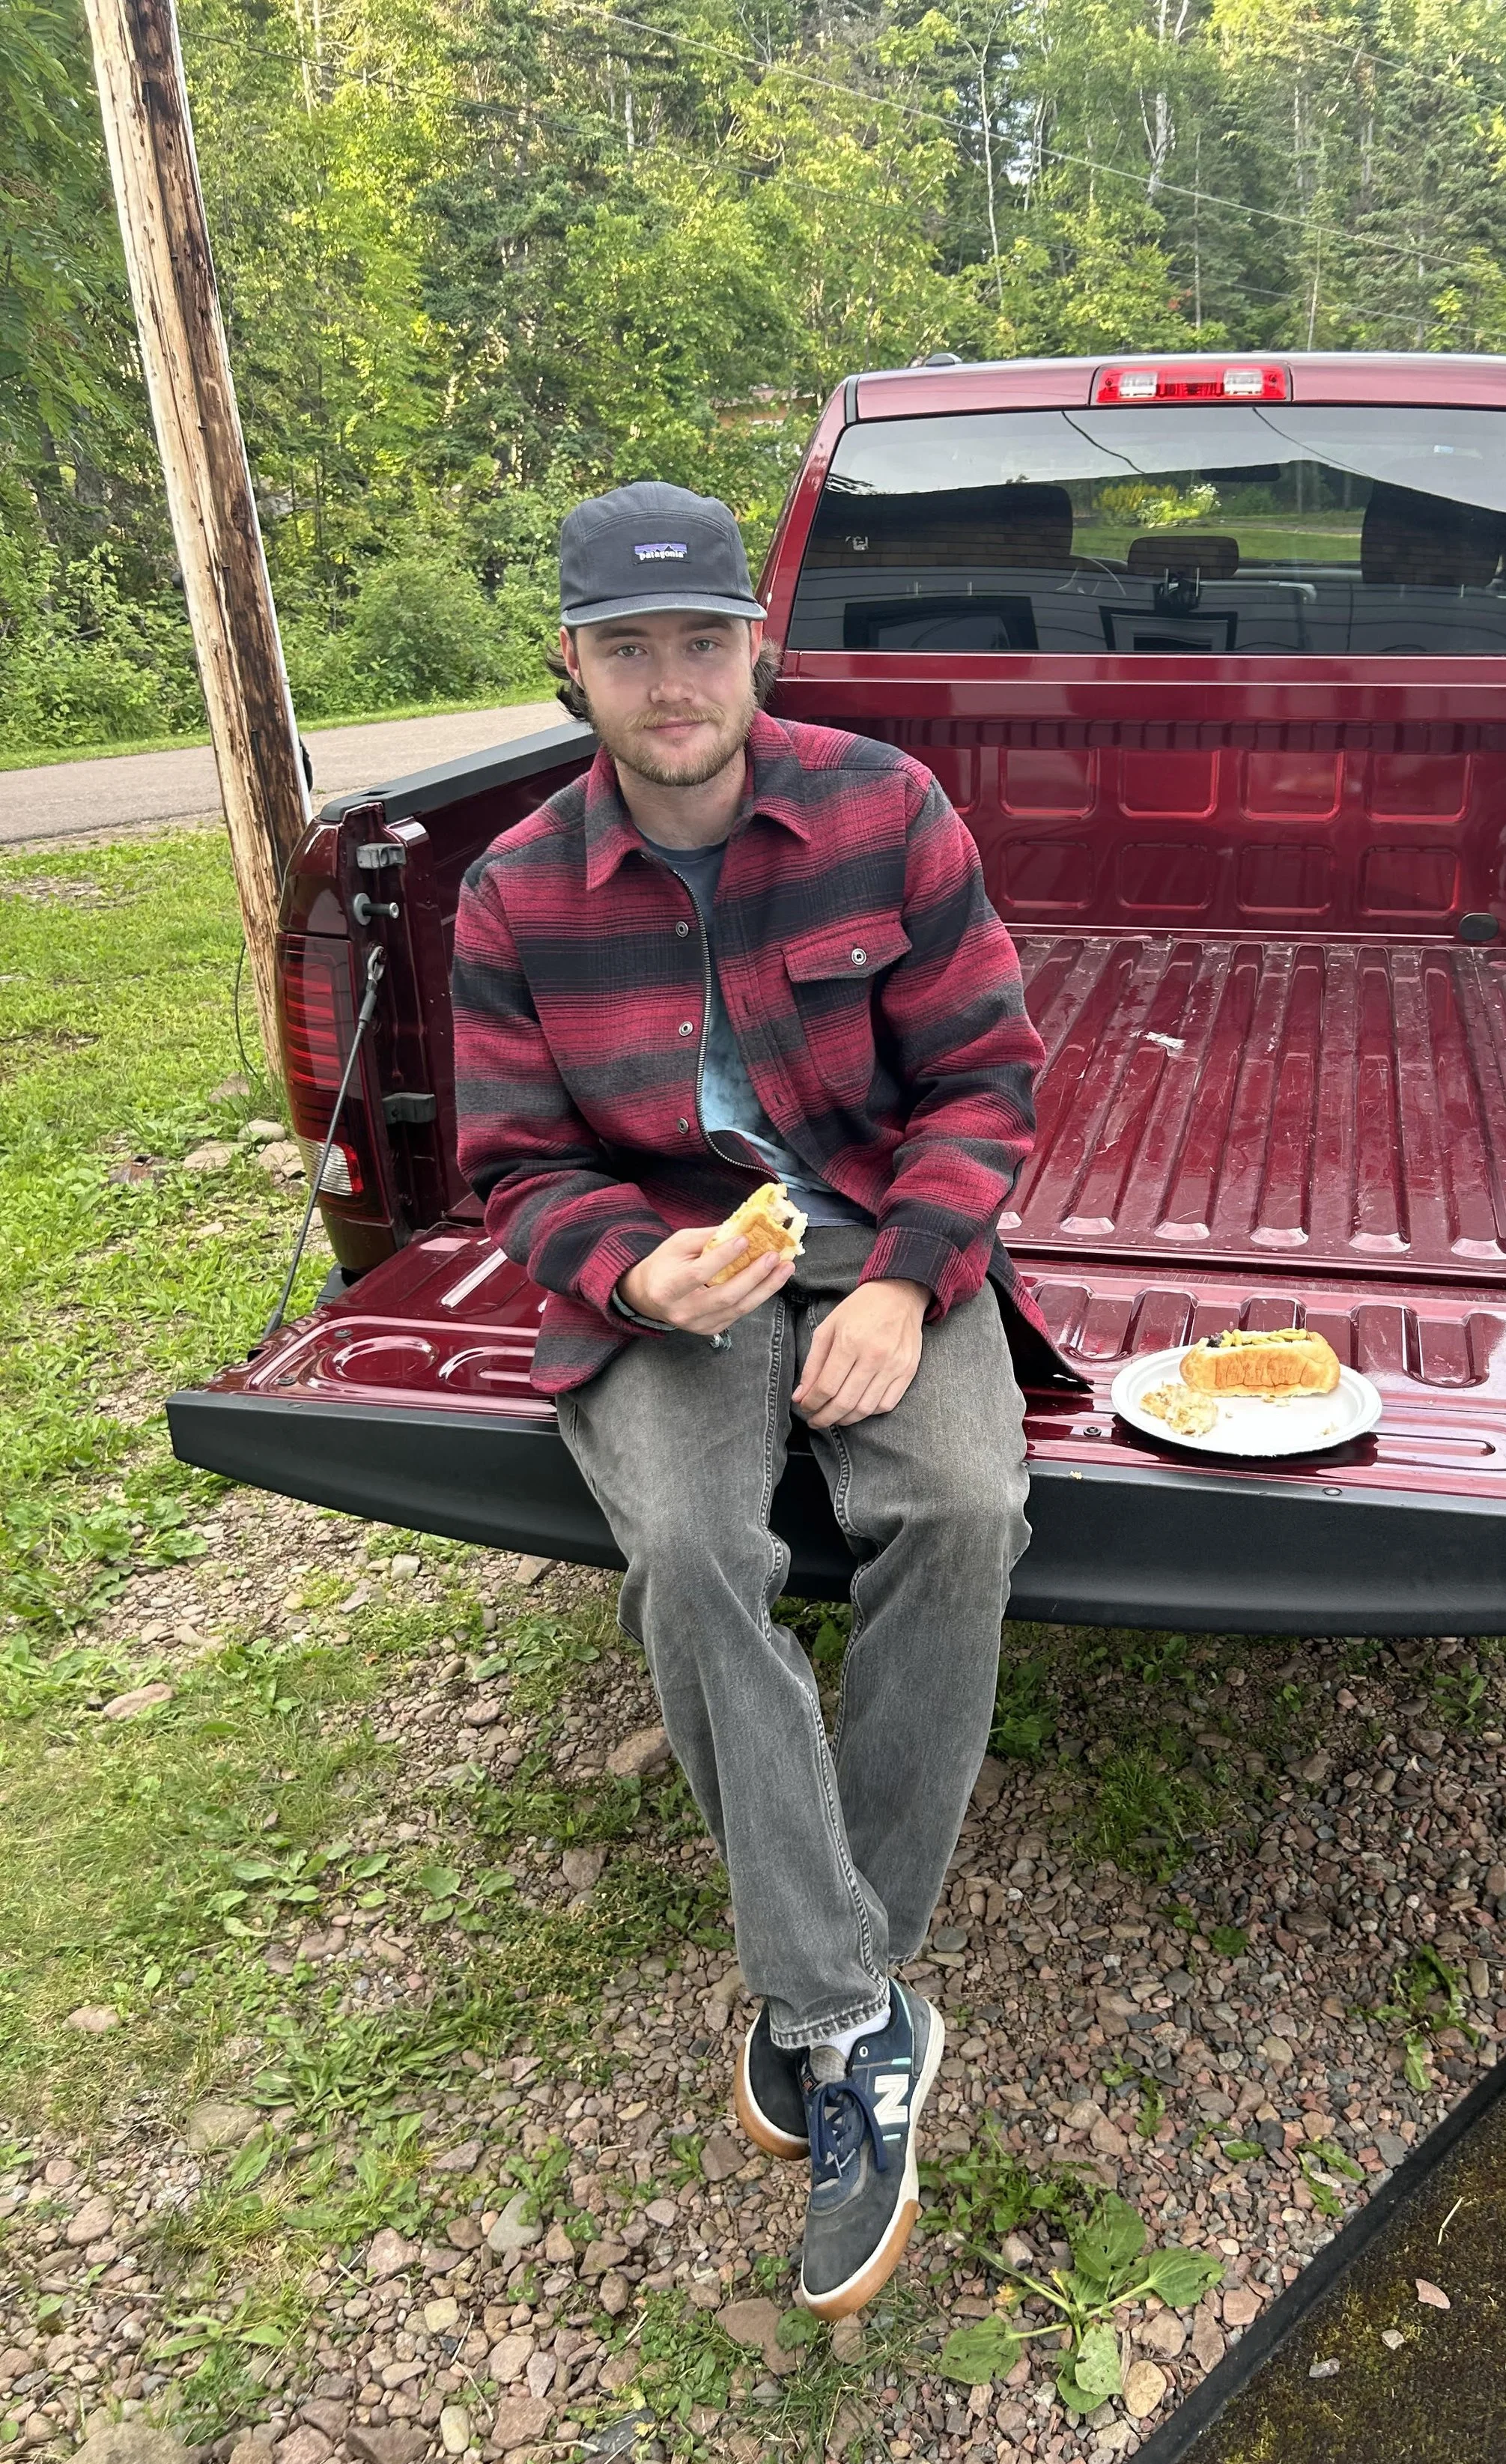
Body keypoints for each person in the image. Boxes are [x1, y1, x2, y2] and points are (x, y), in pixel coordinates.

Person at [450, 480, 1073, 2317]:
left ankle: (832, 1980)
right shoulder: (509, 893)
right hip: (665, 1258)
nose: (669, 681)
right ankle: (853, 2014)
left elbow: (983, 1076)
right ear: (569, 665)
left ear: (755, 647)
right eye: (626, 647)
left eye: (699, 641)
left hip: (873, 1229)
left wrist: (894, 1283)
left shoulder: (886, 808)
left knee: (960, 1507)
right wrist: (634, 1273)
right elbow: (508, 1162)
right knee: (695, 1550)